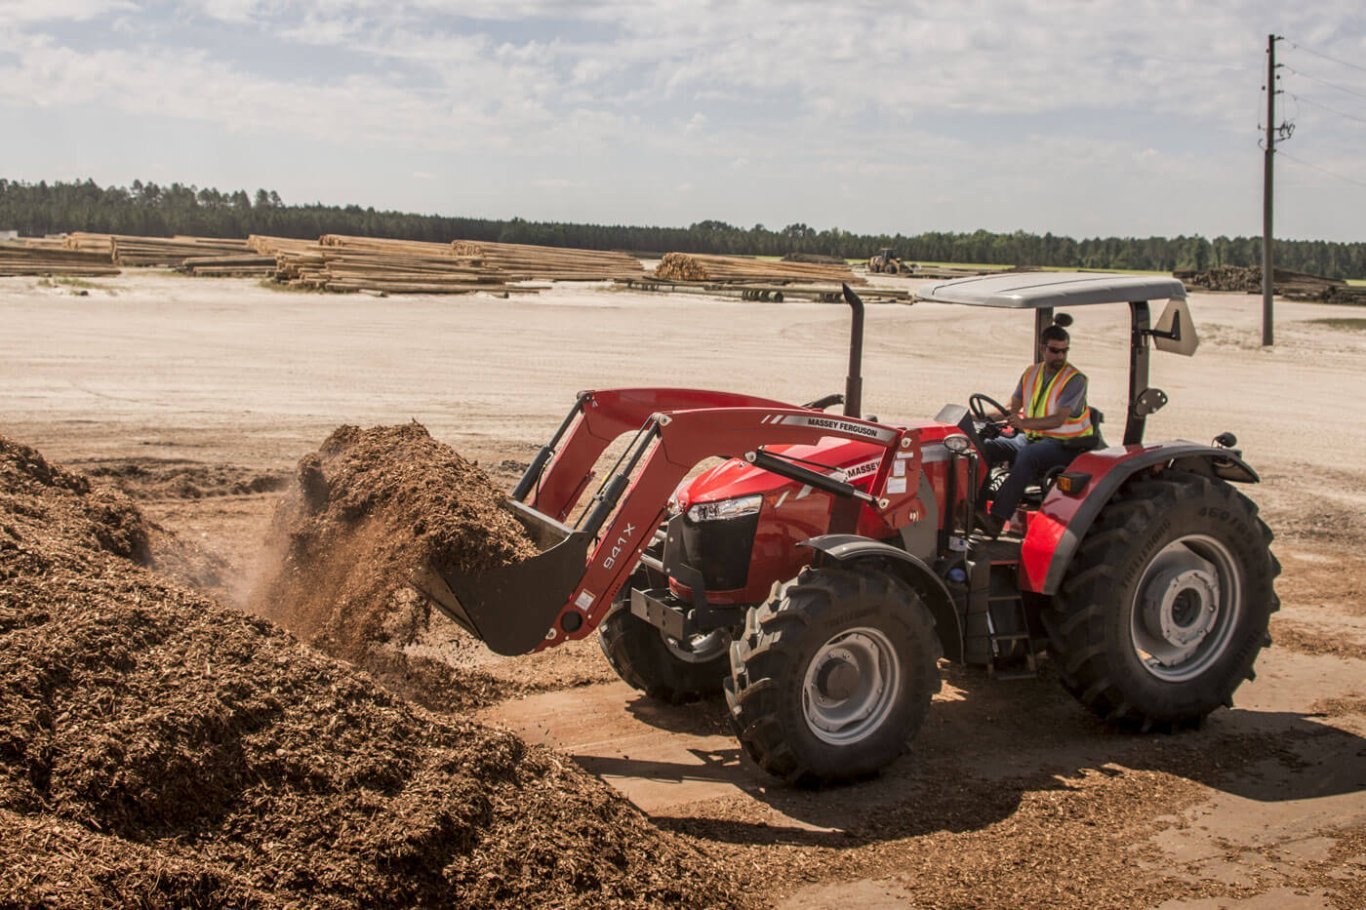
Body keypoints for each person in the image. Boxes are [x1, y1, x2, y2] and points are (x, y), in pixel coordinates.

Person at [978, 324, 1096, 537]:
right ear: (1043, 348)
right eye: (1055, 350)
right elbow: (1012, 405)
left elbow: (1058, 418)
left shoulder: (1075, 380)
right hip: (1031, 438)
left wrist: (1023, 424)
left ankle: (996, 519)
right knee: (984, 446)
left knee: (1028, 455)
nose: (1060, 356)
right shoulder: (1031, 373)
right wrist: (981, 417)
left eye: (1064, 351)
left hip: (1064, 445)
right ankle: (976, 509)